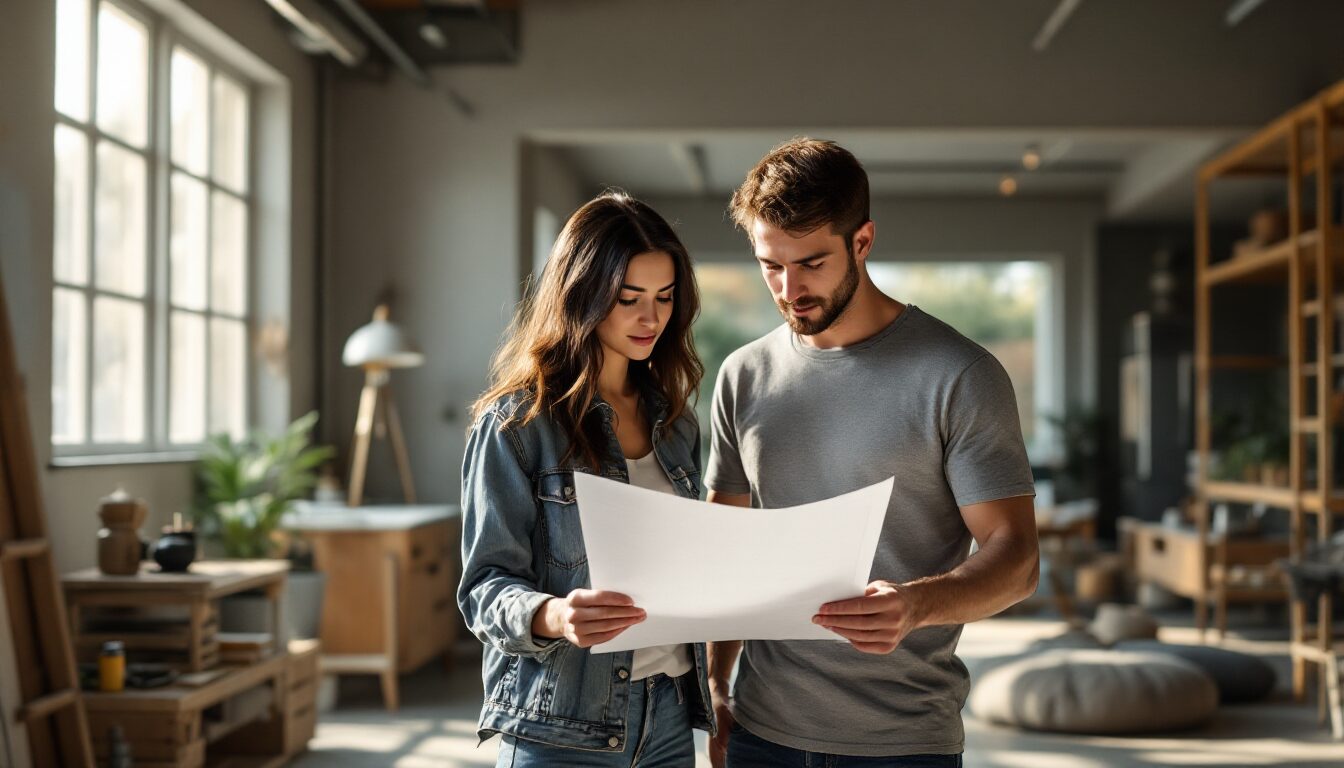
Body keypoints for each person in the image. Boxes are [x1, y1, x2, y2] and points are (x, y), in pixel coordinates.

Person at [705, 139, 1040, 767]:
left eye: (811, 263)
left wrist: (915, 605)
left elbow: (1017, 560)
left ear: (862, 241)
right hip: (760, 733)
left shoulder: (959, 374)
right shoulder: (742, 375)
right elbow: (730, 546)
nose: (789, 288)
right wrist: (716, 687)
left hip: (903, 743)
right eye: (770, 265)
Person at [458, 191, 715, 766]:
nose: (651, 318)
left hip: (669, 716)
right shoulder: (517, 424)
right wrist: (554, 615)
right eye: (629, 299)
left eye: (665, 297)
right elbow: (483, 588)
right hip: (561, 726)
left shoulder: (674, 422)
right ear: (584, 295)